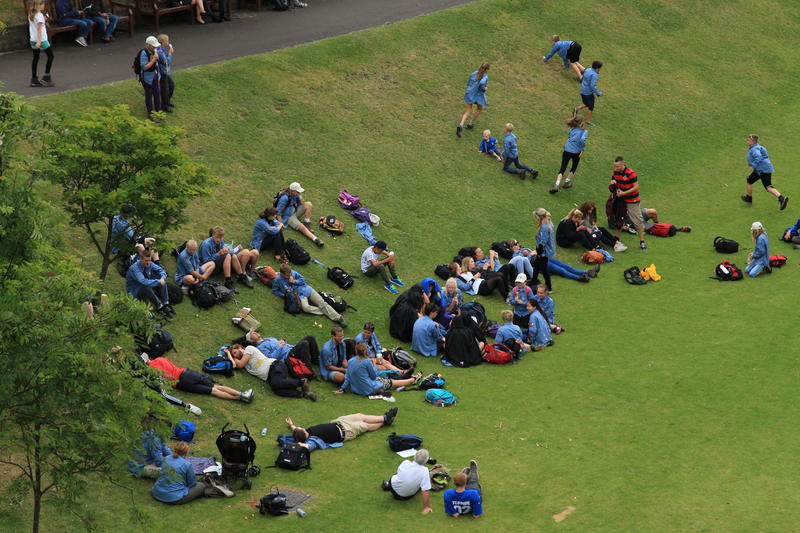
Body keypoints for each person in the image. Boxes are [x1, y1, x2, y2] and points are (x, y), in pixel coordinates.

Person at [227, 344, 317, 401]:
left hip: (275, 366)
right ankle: (303, 394)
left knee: (276, 383)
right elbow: (235, 365)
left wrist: (232, 356)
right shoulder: (243, 361)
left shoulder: (249, 349)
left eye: (235, 352)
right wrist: (229, 355)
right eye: (234, 355)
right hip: (270, 375)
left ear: (239, 347)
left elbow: (240, 365)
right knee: (277, 390)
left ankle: (301, 382)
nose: (236, 355)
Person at [147, 355, 254, 402]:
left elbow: (165, 378)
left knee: (213, 391)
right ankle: (241, 394)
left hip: (181, 383)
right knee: (215, 386)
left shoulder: (151, 370)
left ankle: (240, 398)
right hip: (186, 373)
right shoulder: (161, 359)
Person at [285, 408, 398, 451]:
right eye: (302, 428)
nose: (303, 427)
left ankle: (384, 417)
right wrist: (300, 445)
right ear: (303, 434)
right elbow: (309, 447)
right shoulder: (312, 440)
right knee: (365, 425)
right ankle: (384, 421)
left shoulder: (304, 432)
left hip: (339, 422)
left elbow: (296, 431)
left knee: (360, 415)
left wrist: (291, 425)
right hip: (346, 432)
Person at [271, 264, 347, 326]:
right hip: (299, 296)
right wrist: (285, 295)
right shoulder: (277, 280)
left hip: (307, 290)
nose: (289, 276)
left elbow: (303, 280)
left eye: (290, 274)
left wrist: (295, 281)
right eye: (287, 275)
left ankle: (339, 318)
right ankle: (328, 312)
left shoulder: (293, 273)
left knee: (322, 303)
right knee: (306, 308)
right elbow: (274, 291)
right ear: (281, 273)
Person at [335, 342, 420, 397]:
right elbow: (374, 376)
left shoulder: (350, 361)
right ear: (365, 351)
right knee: (391, 382)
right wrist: (374, 365)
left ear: (356, 351)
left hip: (356, 390)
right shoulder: (367, 361)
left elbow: (348, 377)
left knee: (384, 377)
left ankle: (404, 376)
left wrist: (342, 388)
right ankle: (413, 379)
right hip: (368, 389)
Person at [533, 208, 592, 283]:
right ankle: (579, 277)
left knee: (564, 266)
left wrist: (536, 251)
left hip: (542, 255)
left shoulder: (546, 226)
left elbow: (543, 242)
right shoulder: (548, 225)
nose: (518, 245)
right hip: (539, 257)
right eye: (516, 244)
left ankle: (587, 272)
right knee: (560, 270)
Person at [199, 226, 256, 290]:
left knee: (233, 255)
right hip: (209, 268)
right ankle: (228, 281)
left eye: (221, 238)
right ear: (212, 235)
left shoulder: (221, 241)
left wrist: (229, 250)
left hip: (217, 263)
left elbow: (225, 251)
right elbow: (206, 262)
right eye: (217, 237)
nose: (219, 240)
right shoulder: (206, 244)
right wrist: (218, 254)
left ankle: (241, 276)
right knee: (227, 255)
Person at [741, 134, 789, 210]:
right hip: (767, 169)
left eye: (748, 140)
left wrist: (753, 166)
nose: (747, 141)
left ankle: (749, 198)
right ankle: (782, 198)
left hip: (761, 170)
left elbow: (759, 157)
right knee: (768, 187)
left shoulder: (754, 149)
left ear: (752, 141)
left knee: (749, 180)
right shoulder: (760, 147)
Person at [611, 156, 647, 250]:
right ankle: (616, 238)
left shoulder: (631, 174)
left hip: (632, 201)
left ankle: (642, 241)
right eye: (615, 166)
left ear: (623, 164)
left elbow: (635, 187)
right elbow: (613, 181)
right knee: (619, 218)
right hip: (621, 200)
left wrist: (623, 193)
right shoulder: (615, 172)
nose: (616, 168)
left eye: (618, 166)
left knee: (637, 220)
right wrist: (614, 185)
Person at [382, 449, 434, 514]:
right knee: (420, 485)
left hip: (392, 486)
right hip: (404, 497)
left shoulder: (405, 462)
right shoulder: (425, 471)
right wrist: (426, 507)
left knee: (398, 475)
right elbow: (426, 491)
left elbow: (399, 474)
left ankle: (388, 486)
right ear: (426, 460)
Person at [274, 182, 324, 248]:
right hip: (288, 217)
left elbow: (302, 203)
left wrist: (299, 196)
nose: (299, 193)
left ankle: (307, 223)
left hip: (294, 211)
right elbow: (278, 212)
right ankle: (315, 239)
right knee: (302, 228)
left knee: (309, 204)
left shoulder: (295, 195)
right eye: (298, 192)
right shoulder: (284, 198)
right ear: (292, 191)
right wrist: (281, 223)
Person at [126, 250, 174, 317]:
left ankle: (165, 303)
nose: (148, 263)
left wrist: (162, 277)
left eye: (149, 260)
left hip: (146, 286)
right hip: (135, 292)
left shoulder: (149, 264)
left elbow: (161, 270)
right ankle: (159, 307)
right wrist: (159, 281)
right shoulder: (135, 268)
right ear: (140, 259)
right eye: (146, 261)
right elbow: (143, 281)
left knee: (161, 279)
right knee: (146, 286)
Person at [551, 115, 587, 193]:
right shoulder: (584, 132)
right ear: (581, 123)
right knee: (573, 167)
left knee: (562, 168)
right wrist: (582, 149)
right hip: (576, 152)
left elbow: (570, 136)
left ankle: (556, 184)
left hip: (567, 150)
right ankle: (567, 182)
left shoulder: (572, 129)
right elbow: (582, 140)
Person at [243, 330, 320, 366]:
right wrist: (279, 346)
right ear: (251, 340)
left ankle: (316, 359)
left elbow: (283, 345)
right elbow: (271, 358)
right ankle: (308, 366)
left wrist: (285, 344)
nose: (255, 332)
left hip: (291, 349)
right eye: (252, 333)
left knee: (310, 337)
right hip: (287, 356)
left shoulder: (269, 338)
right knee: (304, 343)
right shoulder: (260, 348)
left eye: (254, 331)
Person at [457, 62, 490, 138]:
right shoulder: (485, 77)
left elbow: (469, 83)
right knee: (479, 109)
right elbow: (482, 85)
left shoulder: (474, 73)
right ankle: (470, 123)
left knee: (468, 111)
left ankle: (461, 124)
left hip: (470, 93)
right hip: (478, 96)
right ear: (487, 70)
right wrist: (484, 89)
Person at [27, 0, 54, 88]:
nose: (44, 5)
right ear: (38, 5)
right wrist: (39, 41)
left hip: (33, 40)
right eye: (42, 4)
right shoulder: (39, 15)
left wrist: (43, 19)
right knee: (51, 56)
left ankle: (34, 79)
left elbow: (36, 25)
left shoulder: (31, 14)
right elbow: (39, 30)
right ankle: (46, 77)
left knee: (35, 58)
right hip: (41, 40)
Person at [139, 36, 162, 120]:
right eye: (153, 45)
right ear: (148, 45)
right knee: (149, 94)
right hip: (147, 78)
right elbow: (144, 67)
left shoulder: (155, 49)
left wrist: (157, 57)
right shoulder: (144, 53)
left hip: (155, 75)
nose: (155, 47)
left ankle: (159, 111)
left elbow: (158, 60)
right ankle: (150, 113)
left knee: (157, 93)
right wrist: (153, 60)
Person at [574, 60, 603, 125]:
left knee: (586, 103)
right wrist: (598, 93)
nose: (601, 69)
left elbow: (583, 77)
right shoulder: (594, 75)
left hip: (582, 90)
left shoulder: (588, 70)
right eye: (600, 68)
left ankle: (576, 109)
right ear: (597, 68)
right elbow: (592, 86)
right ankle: (587, 121)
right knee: (591, 107)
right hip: (588, 93)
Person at [156, 34, 174, 112]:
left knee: (171, 86)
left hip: (165, 72)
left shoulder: (161, 48)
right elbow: (166, 61)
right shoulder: (159, 51)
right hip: (163, 73)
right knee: (165, 90)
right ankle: (164, 106)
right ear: (163, 42)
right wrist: (170, 53)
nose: (168, 42)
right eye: (167, 41)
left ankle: (167, 102)